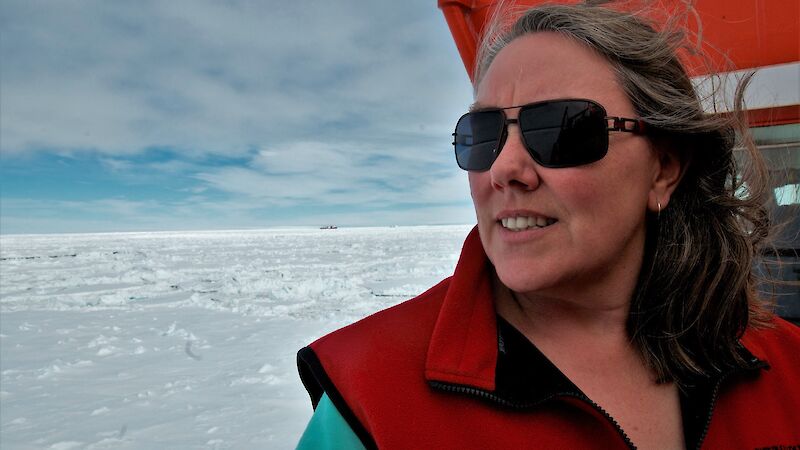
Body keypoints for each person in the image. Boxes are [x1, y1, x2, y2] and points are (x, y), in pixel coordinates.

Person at [295, 3, 800, 449]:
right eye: (482, 134)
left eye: (562, 128)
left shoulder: (786, 366)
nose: (503, 169)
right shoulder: (370, 397)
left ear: (664, 168)